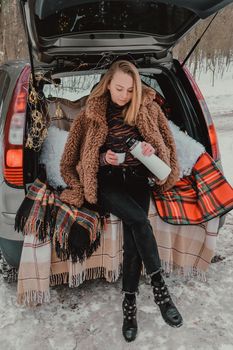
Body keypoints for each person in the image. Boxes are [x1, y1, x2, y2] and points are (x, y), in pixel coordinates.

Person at [60, 60, 183, 342]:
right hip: (107, 182)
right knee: (139, 219)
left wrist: (152, 151)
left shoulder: (148, 109)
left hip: (138, 177)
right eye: (119, 88)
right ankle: (159, 287)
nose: (124, 95)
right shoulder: (91, 113)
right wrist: (103, 158)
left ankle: (129, 302)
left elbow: (168, 147)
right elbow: (70, 159)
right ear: (107, 84)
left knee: (133, 232)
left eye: (130, 90)